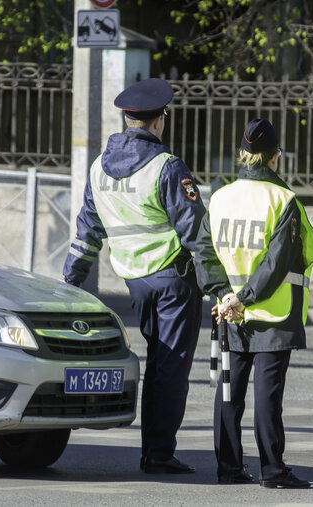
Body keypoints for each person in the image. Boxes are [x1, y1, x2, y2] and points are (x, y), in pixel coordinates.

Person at [63, 78, 206, 474]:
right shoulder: (167, 166)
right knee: (170, 369)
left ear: (127, 119)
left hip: (134, 283)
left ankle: (153, 451)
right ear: (160, 120)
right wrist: (219, 289)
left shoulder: (98, 168)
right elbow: (197, 234)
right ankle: (158, 453)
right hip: (174, 280)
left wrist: (70, 283)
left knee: (158, 365)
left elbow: (86, 232)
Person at [193, 118, 313, 488]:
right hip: (273, 314)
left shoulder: (219, 198)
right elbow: (277, 264)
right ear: (275, 158)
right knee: (267, 396)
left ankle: (228, 468)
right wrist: (243, 299)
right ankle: (273, 471)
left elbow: (203, 252)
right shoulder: (283, 200)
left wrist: (222, 296)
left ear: (243, 155)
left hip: (229, 313)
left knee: (229, 390)